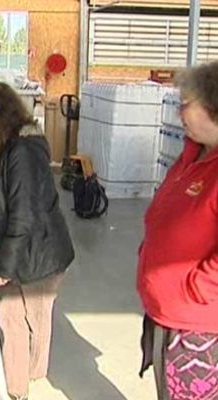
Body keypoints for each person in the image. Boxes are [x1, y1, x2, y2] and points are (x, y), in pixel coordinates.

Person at [0, 82, 74, 400]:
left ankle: (20, 387)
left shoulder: (22, 151)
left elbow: (23, 214)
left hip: (38, 254)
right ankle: (27, 379)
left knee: (20, 319)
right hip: (38, 250)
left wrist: (6, 266)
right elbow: (14, 197)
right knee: (28, 319)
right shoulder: (14, 144)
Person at [137, 61, 218, 400]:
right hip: (167, 314)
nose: (179, 112)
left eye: (186, 103)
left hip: (199, 327)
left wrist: (192, 290)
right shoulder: (192, 156)